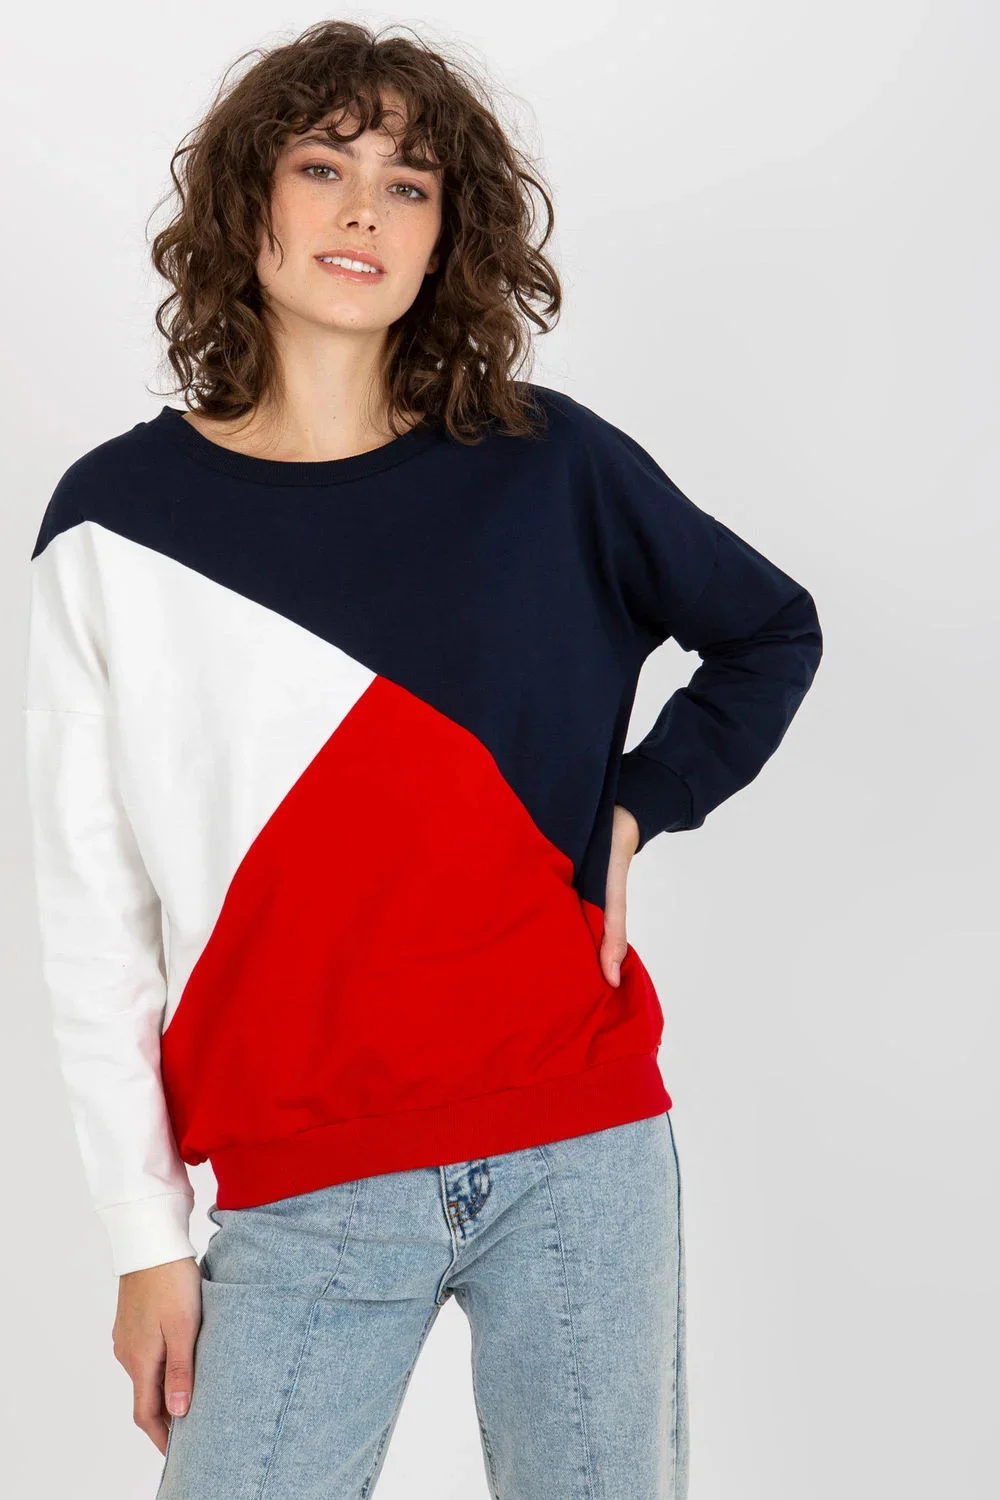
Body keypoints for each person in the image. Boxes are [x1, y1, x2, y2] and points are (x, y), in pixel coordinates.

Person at [21, 19, 823, 1500]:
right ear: (246, 201)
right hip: (302, 1180)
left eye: (409, 184)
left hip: (578, 1141)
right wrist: (144, 1241)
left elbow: (770, 631)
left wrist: (638, 809)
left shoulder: (550, 464)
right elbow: (91, 915)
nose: (364, 213)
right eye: (322, 167)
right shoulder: (113, 526)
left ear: (450, 232)